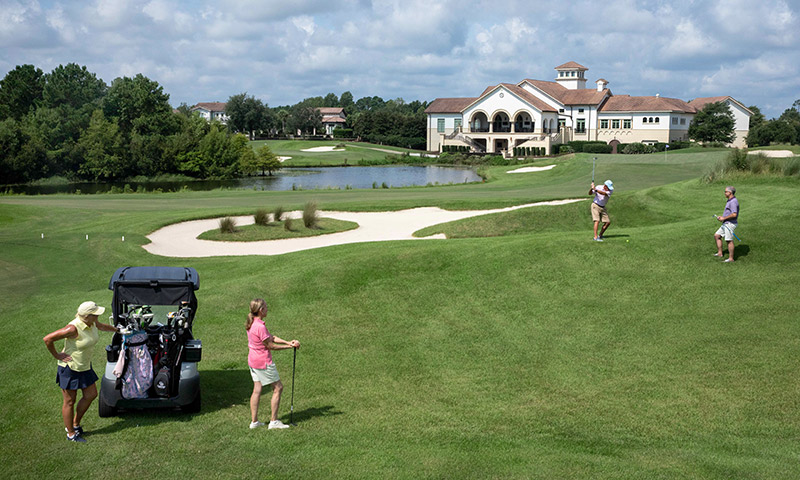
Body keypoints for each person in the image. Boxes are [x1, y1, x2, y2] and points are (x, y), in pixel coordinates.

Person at [43, 301, 117, 443]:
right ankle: (70, 433)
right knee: (70, 401)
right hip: (70, 368)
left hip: (84, 366)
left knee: (91, 395)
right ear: (87, 316)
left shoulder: (92, 323)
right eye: (95, 314)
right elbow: (48, 339)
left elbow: (102, 326)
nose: (97, 317)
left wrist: (117, 330)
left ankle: (75, 423)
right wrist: (57, 355)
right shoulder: (72, 328)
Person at [246, 298, 300, 430]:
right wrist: (290, 347)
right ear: (261, 310)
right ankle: (274, 421)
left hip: (253, 361)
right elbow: (271, 346)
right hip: (263, 362)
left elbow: (271, 337)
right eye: (265, 307)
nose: (267, 309)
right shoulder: (259, 326)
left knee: (257, 389)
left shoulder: (253, 323)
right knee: (278, 388)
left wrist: (288, 342)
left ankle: (254, 422)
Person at [714, 186, 739, 262]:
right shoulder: (729, 201)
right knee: (717, 235)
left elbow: (734, 214)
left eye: (725, 192)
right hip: (726, 223)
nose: (724, 193)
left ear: (730, 193)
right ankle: (720, 253)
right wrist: (722, 218)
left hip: (730, 224)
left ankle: (731, 258)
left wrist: (724, 218)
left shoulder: (733, 202)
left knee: (729, 240)